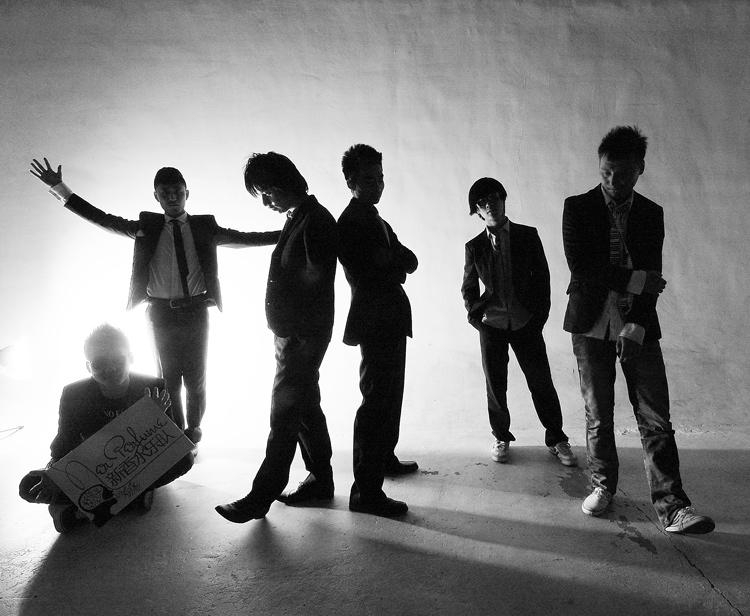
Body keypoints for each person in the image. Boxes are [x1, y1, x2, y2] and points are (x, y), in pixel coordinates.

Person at [29, 158, 281, 449]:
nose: (172, 197)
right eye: (165, 193)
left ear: (187, 193)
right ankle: (175, 433)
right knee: (166, 378)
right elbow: (103, 219)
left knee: (196, 378)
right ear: (156, 196)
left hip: (196, 311)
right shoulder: (146, 226)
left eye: (178, 192)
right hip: (159, 314)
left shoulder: (204, 226)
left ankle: (194, 431)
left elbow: (246, 239)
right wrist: (61, 189)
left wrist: (289, 230)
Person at [562, 125, 714, 534]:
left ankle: (673, 507)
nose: (613, 181)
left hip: (638, 326)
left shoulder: (651, 213)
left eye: (623, 173)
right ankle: (602, 485)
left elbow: (654, 279)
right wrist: (634, 279)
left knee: (656, 418)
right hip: (591, 325)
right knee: (598, 415)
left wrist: (636, 325)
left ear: (640, 169)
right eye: (606, 172)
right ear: (599, 166)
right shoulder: (577, 207)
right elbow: (583, 268)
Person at [215, 152, 337, 523]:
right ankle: (320, 479)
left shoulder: (315, 220)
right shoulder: (298, 217)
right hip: (294, 335)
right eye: (261, 196)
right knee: (306, 405)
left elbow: (317, 282)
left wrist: (294, 330)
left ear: (286, 183)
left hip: (302, 337)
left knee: (284, 413)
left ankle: (261, 495)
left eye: (267, 192)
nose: (266, 202)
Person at [18, 324, 194, 533]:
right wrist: (53, 472)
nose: (110, 368)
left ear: (131, 358)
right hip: (95, 466)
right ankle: (132, 498)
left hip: (137, 464)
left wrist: (154, 417)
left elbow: (170, 444)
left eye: (117, 360)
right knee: (29, 485)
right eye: (99, 363)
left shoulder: (154, 386)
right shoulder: (73, 395)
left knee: (185, 459)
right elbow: (65, 441)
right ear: (88, 366)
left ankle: (82, 511)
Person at [462, 178, 576, 467]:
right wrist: (477, 318)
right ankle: (501, 436)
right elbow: (468, 287)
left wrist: (538, 318)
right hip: (492, 324)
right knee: (495, 385)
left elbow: (543, 279)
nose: (490, 205)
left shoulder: (527, 235)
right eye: (483, 202)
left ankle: (557, 437)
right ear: (477, 211)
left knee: (541, 381)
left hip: (526, 323)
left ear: (503, 199)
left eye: (495, 198)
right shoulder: (474, 247)